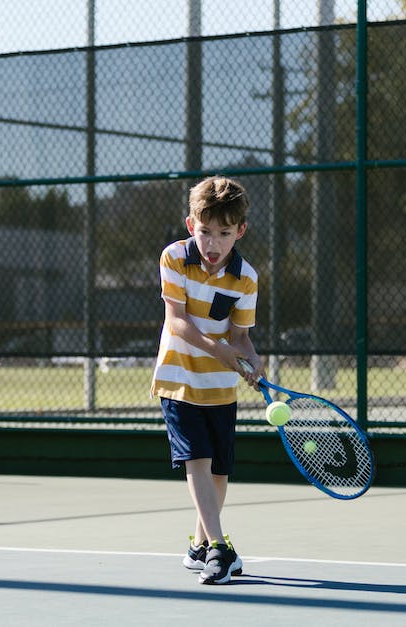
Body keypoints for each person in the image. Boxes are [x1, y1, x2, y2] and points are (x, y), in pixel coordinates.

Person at [151, 176, 264, 585]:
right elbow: (177, 322)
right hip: (178, 379)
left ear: (240, 231)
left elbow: (241, 338)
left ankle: (199, 546)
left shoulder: (246, 278)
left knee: (218, 470)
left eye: (223, 233)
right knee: (195, 461)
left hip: (220, 387)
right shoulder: (174, 259)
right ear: (190, 225)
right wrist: (219, 350)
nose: (212, 244)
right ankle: (221, 548)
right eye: (205, 232)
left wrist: (252, 361)